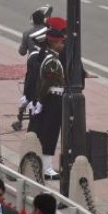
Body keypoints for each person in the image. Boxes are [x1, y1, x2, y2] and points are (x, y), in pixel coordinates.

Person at [28, 18, 67, 180]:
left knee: (49, 133)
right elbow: (46, 84)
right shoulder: (52, 61)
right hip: (53, 100)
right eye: (60, 43)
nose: (62, 45)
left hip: (52, 99)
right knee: (49, 133)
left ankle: (46, 166)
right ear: (54, 44)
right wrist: (41, 102)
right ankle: (47, 168)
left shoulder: (52, 58)